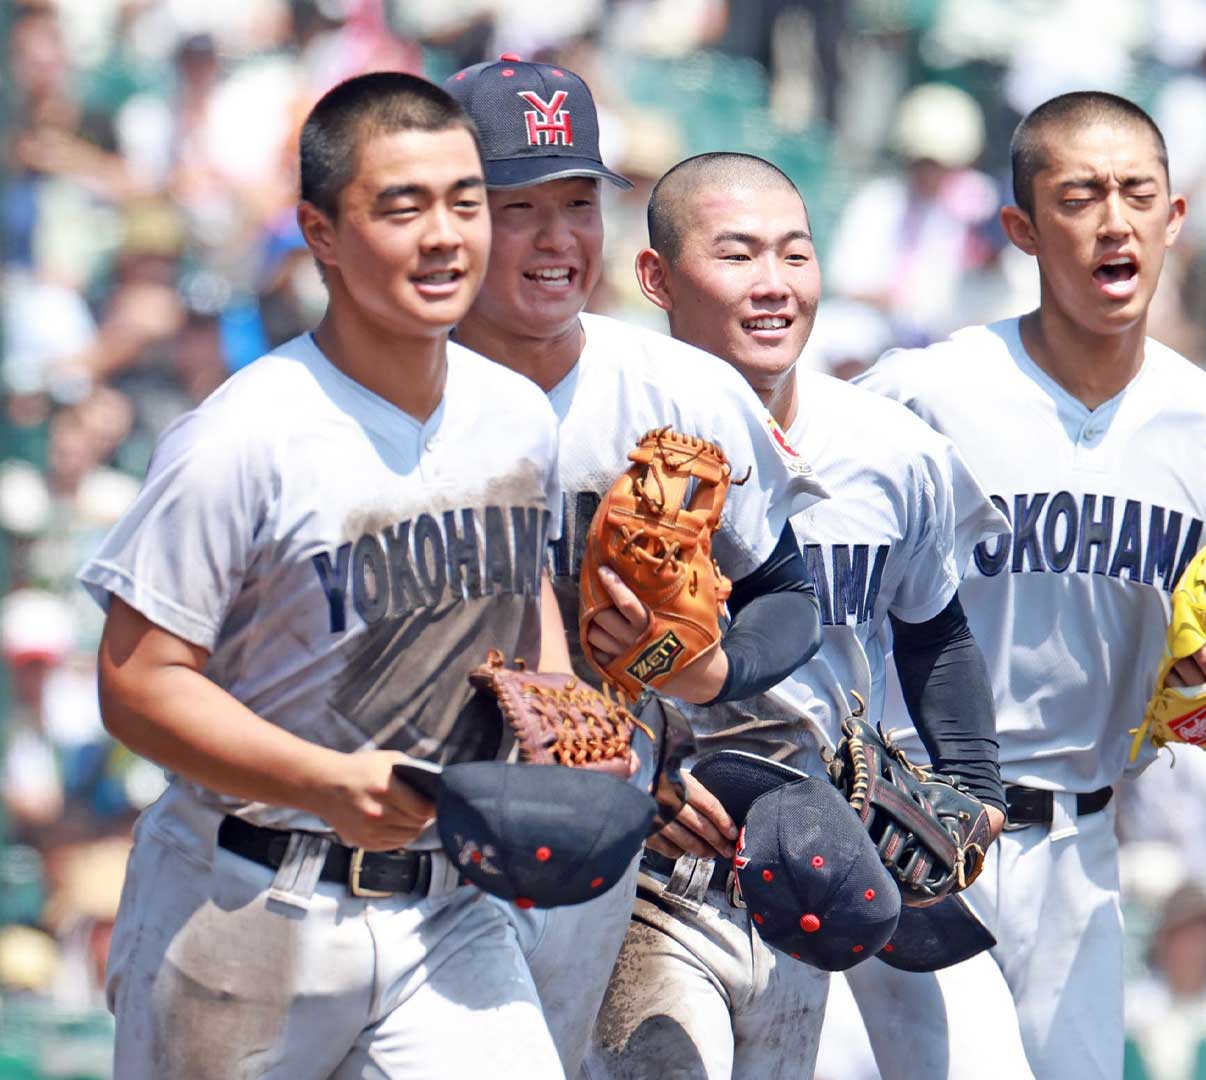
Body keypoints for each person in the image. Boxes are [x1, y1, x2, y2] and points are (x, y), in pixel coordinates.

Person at [82, 72, 585, 1078]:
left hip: (452, 910)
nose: (444, 235)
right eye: (401, 207)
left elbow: (519, 588)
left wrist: (566, 710)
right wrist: (329, 782)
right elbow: (136, 684)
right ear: (320, 232)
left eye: (465, 201)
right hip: (246, 900)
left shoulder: (517, 414)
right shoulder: (243, 437)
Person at [854, 90, 1206, 1078]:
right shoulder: (923, 396)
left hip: (1086, 849)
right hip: (918, 826)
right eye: (1080, 194)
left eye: (1138, 192)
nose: (1114, 219)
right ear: (1020, 226)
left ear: (1175, 218)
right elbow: (824, 586)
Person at [588, 149, 1017, 1079]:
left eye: (796, 254)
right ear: (656, 277)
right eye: (737, 256)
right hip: (653, 850)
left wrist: (978, 790)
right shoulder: (600, 431)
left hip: (826, 832)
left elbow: (934, 629)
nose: (775, 285)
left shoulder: (892, 449)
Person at [441, 56, 830, 1075]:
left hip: (606, 847)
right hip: (423, 843)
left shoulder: (679, 390)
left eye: (578, 202)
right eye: (519, 205)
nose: (558, 237)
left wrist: (702, 675)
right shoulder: (399, 398)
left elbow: (789, 597)